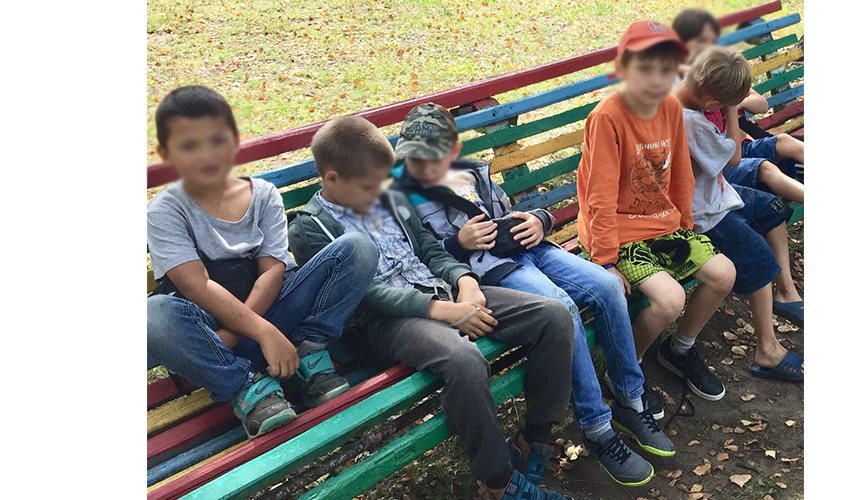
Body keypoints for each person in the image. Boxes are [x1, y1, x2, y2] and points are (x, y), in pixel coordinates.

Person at [287, 115, 576, 500]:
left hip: (443, 290)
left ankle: (534, 437)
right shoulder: (311, 227)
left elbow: (428, 249)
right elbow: (363, 294)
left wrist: (465, 281)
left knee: (553, 317)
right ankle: (499, 482)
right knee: (464, 360)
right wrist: (439, 310)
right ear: (333, 179)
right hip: (390, 322)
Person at [391, 103, 673, 487]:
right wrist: (458, 243)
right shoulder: (404, 196)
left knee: (608, 287)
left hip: (531, 249)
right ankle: (597, 427)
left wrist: (540, 221)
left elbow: (511, 212)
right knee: (563, 308)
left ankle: (630, 398)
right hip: (491, 271)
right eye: (414, 158)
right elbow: (420, 257)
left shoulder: (470, 172)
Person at [146, 86, 378, 440]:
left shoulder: (264, 194)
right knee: (154, 314)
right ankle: (246, 388)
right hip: (214, 339)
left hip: (273, 320)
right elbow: (196, 285)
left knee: (358, 247)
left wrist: (263, 331)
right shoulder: (165, 210)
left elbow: (272, 269)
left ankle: (309, 354)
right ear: (167, 153)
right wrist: (260, 332)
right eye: (189, 145)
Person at [576, 21, 737, 407]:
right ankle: (625, 370)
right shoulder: (608, 116)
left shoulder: (669, 107)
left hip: (663, 225)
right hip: (617, 233)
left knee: (724, 274)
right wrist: (604, 261)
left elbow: (680, 171)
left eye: (666, 68)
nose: (656, 78)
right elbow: (599, 195)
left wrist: (685, 224)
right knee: (669, 300)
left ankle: (678, 350)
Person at [671, 45, 804, 378]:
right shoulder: (690, 121)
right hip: (702, 213)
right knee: (759, 259)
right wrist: (732, 109)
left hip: (717, 196)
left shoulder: (687, 97)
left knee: (771, 208)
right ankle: (767, 350)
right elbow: (732, 159)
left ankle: (785, 295)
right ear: (713, 101)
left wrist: (730, 100)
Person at [672, 8, 806, 204]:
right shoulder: (698, 97)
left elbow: (761, 105)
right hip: (723, 158)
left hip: (740, 144)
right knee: (766, 168)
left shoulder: (720, 76)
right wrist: (732, 108)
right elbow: (729, 157)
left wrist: (735, 103)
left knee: (786, 141)